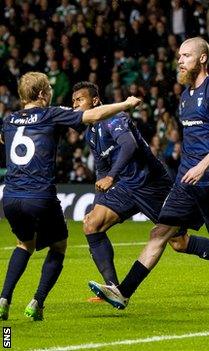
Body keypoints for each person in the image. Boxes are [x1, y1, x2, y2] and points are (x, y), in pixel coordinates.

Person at [88, 37, 209, 315]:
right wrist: (189, 166)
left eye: (186, 55)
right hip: (185, 182)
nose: (180, 60)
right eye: (179, 55)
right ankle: (123, 293)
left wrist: (203, 166)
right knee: (160, 232)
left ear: (202, 59)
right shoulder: (185, 96)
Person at [0, 71, 141, 321]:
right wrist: (126, 104)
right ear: (43, 94)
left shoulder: (9, 120)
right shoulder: (50, 113)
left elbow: (3, 138)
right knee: (59, 245)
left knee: (25, 244)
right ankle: (37, 302)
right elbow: (93, 115)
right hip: (39, 195)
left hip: (10, 197)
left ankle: (4, 299)